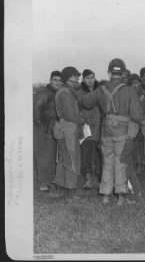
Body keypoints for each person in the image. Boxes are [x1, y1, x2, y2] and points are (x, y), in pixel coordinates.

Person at [80, 58, 144, 206]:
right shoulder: (129, 90)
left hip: (106, 131)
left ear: (109, 73)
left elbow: (85, 102)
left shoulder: (101, 89)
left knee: (107, 162)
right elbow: (137, 115)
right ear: (123, 73)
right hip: (123, 131)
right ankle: (121, 197)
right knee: (121, 163)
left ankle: (105, 196)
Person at [51, 67, 85, 199]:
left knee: (63, 158)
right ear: (68, 78)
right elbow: (71, 115)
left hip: (63, 128)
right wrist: (82, 120)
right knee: (71, 158)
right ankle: (71, 191)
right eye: (75, 76)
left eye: (78, 76)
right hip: (68, 129)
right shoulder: (66, 92)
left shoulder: (65, 91)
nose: (77, 79)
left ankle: (58, 187)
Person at [33, 70, 62, 192]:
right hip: (44, 127)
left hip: (53, 126)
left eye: (60, 80)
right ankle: (43, 183)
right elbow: (36, 108)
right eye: (55, 80)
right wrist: (40, 124)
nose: (57, 82)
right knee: (43, 155)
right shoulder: (43, 93)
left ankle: (49, 181)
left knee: (51, 155)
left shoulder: (58, 93)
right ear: (50, 80)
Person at [77, 69, 102, 189]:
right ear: (83, 79)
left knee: (99, 154)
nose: (90, 80)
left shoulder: (100, 91)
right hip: (86, 127)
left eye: (92, 77)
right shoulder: (79, 92)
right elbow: (76, 109)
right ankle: (88, 178)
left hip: (99, 126)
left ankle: (99, 178)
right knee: (85, 153)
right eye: (87, 78)